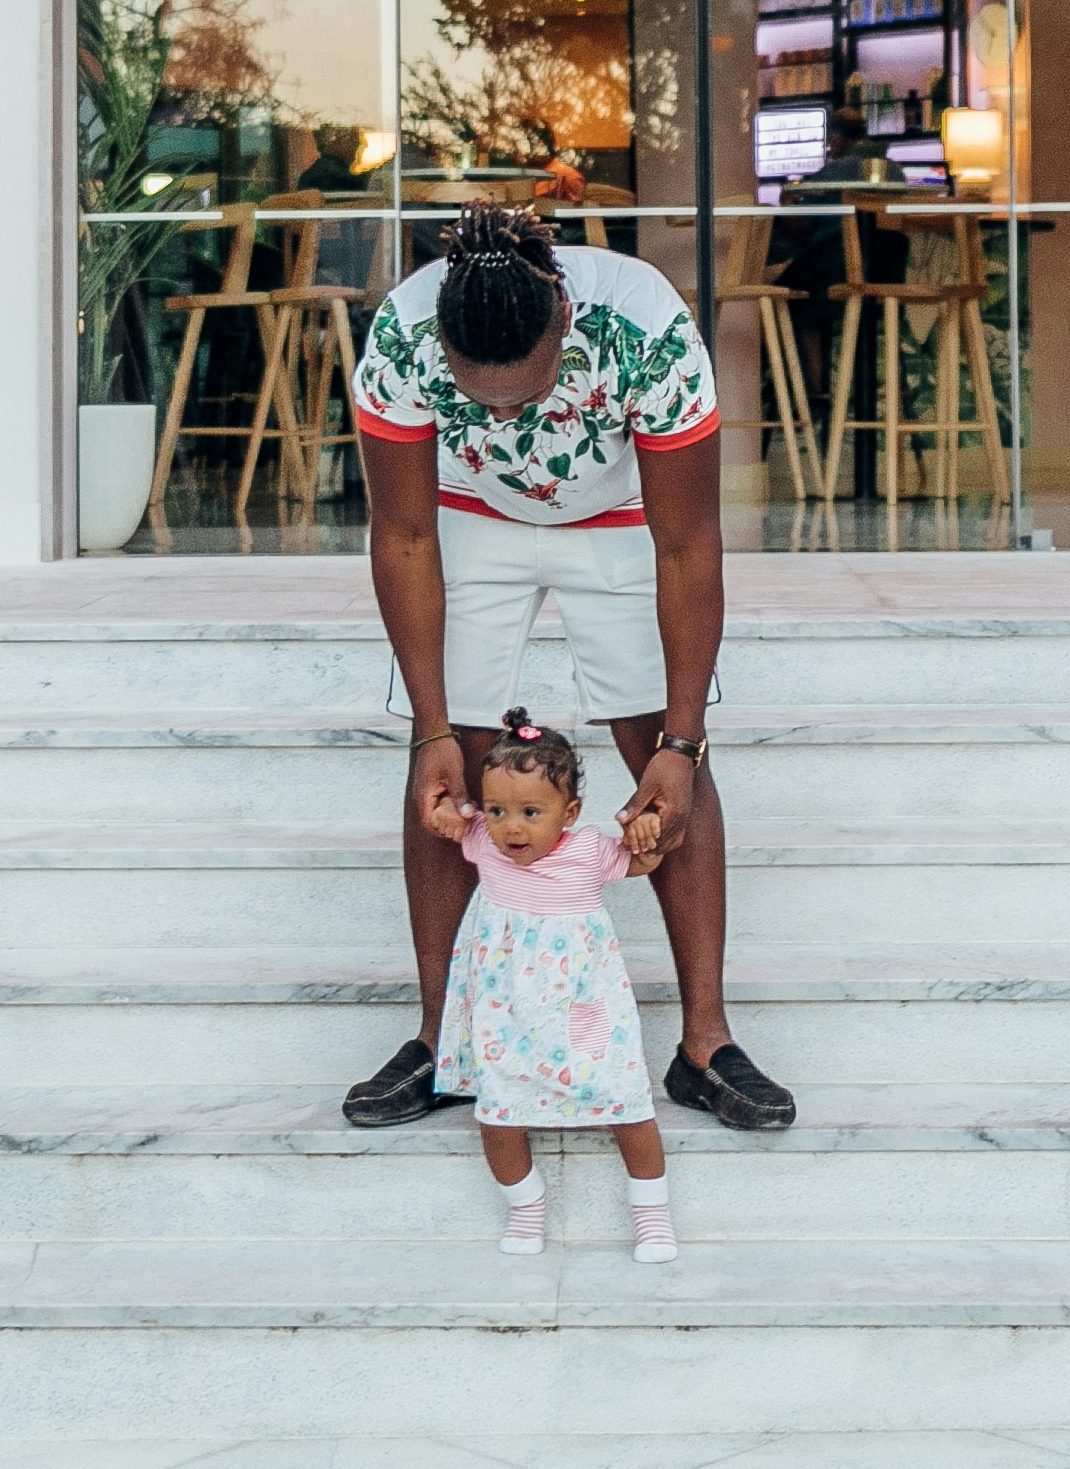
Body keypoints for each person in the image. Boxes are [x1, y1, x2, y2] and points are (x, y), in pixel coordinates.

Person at [338, 202, 797, 1137]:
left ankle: (704, 1044)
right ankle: (444, 1043)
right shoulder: (401, 334)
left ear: (563, 321)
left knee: (663, 757)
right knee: (452, 760)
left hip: (623, 518)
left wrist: (682, 741)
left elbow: (689, 546)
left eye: (523, 394)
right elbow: (406, 531)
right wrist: (429, 725)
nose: (503, 414)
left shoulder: (644, 325)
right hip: (466, 516)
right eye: (483, 398)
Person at [425, 713, 675, 1259]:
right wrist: (449, 813)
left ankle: (652, 1213)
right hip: (506, 1012)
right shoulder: (483, 843)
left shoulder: (588, 851)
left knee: (626, 1102)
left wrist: (647, 833)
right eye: (497, 810)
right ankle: (526, 1205)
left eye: (531, 813)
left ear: (571, 813)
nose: (512, 828)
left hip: (580, 1004)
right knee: (497, 1114)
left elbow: (645, 862)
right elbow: (448, 822)